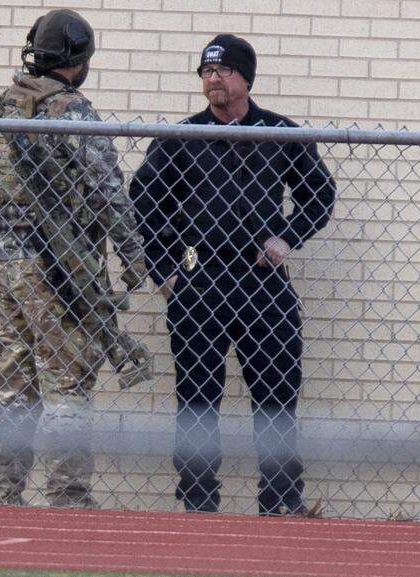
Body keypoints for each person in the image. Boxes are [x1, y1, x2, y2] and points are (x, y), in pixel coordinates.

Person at [129, 34, 336, 514]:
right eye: (205, 71)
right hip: (200, 283)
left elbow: (319, 196)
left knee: (277, 394)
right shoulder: (183, 138)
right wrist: (165, 273)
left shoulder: (280, 133)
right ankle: (198, 499)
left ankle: (281, 498)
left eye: (222, 71)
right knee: (197, 398)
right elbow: (145, 207)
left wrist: (286, 237)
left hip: (263, 284)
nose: (212, 79)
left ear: (245, 78)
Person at [0, 9, 151, 508]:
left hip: (8, 261)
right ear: (77, 58)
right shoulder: (70, 110)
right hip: (59, 264)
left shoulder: (1, 106)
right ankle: (68, 497)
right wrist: (133, 255)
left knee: (13, 382)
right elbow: (108, 190)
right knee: (67, 379)